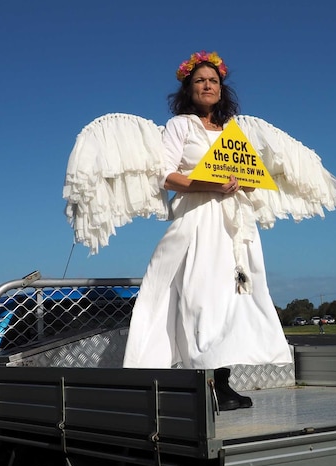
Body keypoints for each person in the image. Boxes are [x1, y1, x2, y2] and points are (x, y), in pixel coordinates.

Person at [121, 51, 295, 411]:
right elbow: (166, 175)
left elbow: (248, 175)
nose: (207, 85)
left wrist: (245, 184)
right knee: (201, 298)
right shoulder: (180, 126)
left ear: (222, 88)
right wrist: (210, 184)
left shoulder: (233, 131)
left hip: (232, 223)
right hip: (197, 218)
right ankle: (199, 381)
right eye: (200, 80)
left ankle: (222, 382)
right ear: (188, 88)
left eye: (213, 80)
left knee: (233, 299)